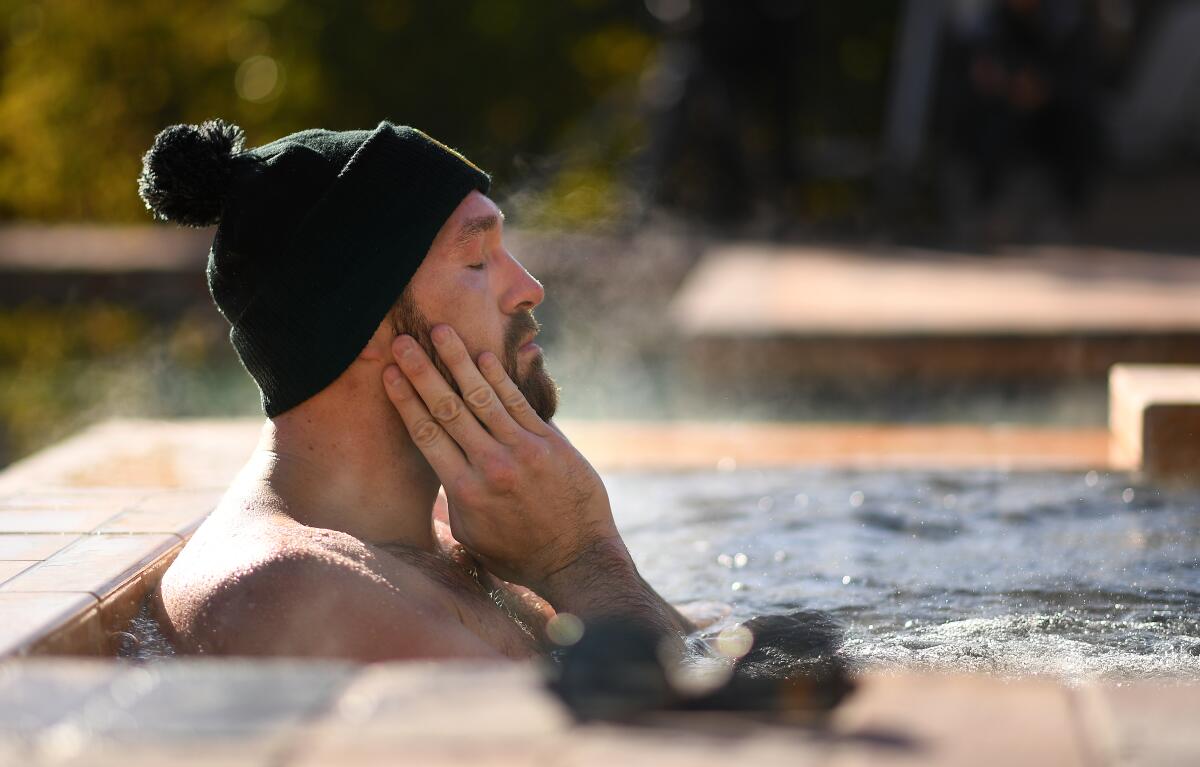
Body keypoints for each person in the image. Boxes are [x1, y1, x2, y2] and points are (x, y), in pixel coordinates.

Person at [139, 120, 693, 660]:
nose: (529, 289)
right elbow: (649, 740)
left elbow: (710, 660)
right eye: (477, 259)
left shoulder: (467, 532)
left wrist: (578, 558)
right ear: (362, 321)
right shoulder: (292, 588)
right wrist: (579, 560)